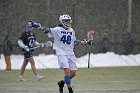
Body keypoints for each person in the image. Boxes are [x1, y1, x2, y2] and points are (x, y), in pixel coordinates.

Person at [37, 14, 88, 93]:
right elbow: (47, 30)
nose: (68, 23)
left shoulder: (71, 30)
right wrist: (40, 27)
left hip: (70, 53)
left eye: (69, 21)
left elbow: (74, 42)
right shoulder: (57, 29)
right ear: (62, 22)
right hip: (61, 53)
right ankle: (70, 89)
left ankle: (62, 83)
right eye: (66, 21)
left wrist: (83, 42)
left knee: (73, 73)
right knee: (67, 71)